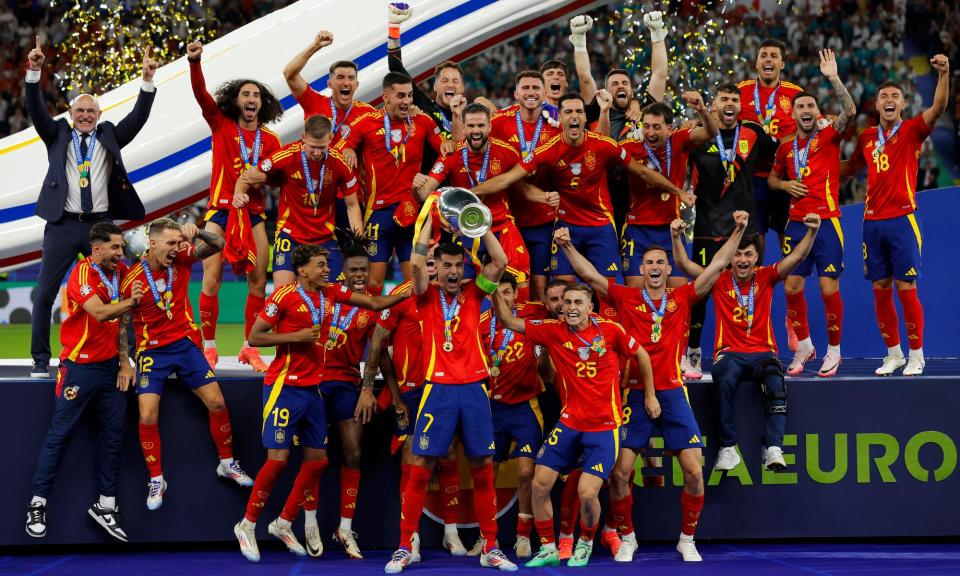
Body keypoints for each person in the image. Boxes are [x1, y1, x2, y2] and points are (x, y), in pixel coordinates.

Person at [556, 211, 750, 563]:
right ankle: (627, 537)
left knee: (693, 471)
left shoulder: (683, 297)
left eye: (661, 261)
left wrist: (739, 230)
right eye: (649, 262)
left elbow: (718, 265)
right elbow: (589, 276)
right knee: (620, 473)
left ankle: (687, 539)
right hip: (633, 392)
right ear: (642, 270)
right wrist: (567, 245)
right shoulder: (626, 297)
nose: (656, 267)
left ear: (667, 269)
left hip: (673, 392)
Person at [234, 243, 408, 562]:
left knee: (318, 461)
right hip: (284, 386)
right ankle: (246, 525)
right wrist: (295, 337)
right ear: (302, 270)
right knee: (278, 460)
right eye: (320, 265)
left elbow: (373, 301)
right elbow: (256, 337)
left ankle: (284, 522)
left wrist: (410, 291)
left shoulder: (329, 294)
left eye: (327, 264)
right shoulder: (282, 296)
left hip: (313, 390)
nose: (327, 270)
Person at [384, 217, 517, 573]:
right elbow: (414, 263)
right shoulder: (424, 296)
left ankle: (491, 546)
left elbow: (501, 261)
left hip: (474, 389)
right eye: (447, 265)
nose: (454, 271)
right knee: (421, 466)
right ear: (437, 269)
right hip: (437, 390)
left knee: (483, 467)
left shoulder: (476, 291)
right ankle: (403, 546)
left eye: (459, 265)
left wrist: (480, 223)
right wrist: (427, 220)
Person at [492, 283, 651, 568]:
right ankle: (549, 548)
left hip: (604, 426)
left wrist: (649, 395)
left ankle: (585, 543)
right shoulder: (553, 331)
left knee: (587, 493)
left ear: (590, 308)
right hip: (569, 423)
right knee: (540, 484)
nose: (572, 307)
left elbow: (642, 355)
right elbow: (506, 321)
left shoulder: (611, 331)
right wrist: (491, 286)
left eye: (578, 302)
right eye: (567, 302)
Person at [25, 36, 157, 378]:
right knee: (44, 292)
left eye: (91, 111)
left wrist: (146, 81)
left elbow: (138, 118)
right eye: (80, 111)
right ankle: (41, 359)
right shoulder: (56, 134)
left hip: (101, 228)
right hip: (62, 224)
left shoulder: (109, 135)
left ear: (98, 116)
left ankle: (125, 355)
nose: (85, 115)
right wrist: (35, 72)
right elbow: (36, 110)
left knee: (122, 288)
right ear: (70, 114)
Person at [470, 93, 685, 286]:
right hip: (566, 226)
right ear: (560, 117)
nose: (574, 116)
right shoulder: (548, 149)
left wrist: (678, 191)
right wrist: (470, 194)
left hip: (600, 225)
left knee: (607, 290)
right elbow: (508, 178)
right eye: (568, 112)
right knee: (562, 289)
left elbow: (643, 172)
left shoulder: (603, 145)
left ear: (584, 118)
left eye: (579, 112)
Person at [119, 218, 252, 510]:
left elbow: (219, 245)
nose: (176, 248)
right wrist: (124, 362)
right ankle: (156, 479)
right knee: (147, 415)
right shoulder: (131, 280)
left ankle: (227, 463)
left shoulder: (180, 259)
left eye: (178, 243)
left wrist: (198, 231)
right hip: (152, 352)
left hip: (184, 345)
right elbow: (122, 323)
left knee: (217, 402)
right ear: (152, 243)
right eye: (170, 243)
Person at [672, 214, 821, 472]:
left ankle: (774, 448)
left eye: (748, 255)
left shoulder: (766, 276)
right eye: (738, 254)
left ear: (756, 258)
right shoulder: (718, 278)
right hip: (729, 354)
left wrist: (812, 232)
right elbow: (684, 264)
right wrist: (676, 237)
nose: (742, 260)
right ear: (730, 257)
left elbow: (796, 257)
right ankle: (728, 449)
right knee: (724, 380)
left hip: (764, 353)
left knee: (776, 382)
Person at [26, 223, 143, 542]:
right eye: (115, 248)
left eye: (122, 247)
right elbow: (102, 313)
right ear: (97, 249)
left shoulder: (119, 272)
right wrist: (131, 302)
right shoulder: (81, 274)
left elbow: (121, 322)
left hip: (110, 370)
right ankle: (37, 505)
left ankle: (106, 506)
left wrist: (123, 360)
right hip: (78, 369)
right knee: (58, 436)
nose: (121, 253)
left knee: (113, 437)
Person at [843, 54, 951, 377]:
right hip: (871, 223)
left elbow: (939, 108)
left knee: (907, 290)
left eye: (895, 97)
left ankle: (917, 354)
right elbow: (850, 169)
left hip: (903, 220)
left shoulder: (913, 131)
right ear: (876, 105)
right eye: (884, 97)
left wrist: (943, 74)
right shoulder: (865, 138)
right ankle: (894, 354)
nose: (889, 101)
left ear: (902, 104)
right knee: (880, 290)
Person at [187, 40, 284, 372]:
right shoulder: (221, 125)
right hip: (220, 212)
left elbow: (276, 178)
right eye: (246, 94)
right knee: (211, 277)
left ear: (262, 103)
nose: (251, 99)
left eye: (256, 95)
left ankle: (249, 347)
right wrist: (194, 62)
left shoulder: (271, 141)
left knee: (258, 280)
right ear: (235, 101)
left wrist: (259, 179)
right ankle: (209, 346)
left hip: (254, 214)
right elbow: (201, 96)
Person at [364, 261, 469, 559]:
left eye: (443, 263)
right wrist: (380, 392)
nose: (437, 269)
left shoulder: (454, 298)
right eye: (431, 262)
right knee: (412, 456)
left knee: (449, 454)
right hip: (411, 392)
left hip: (445, 388)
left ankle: (451, 533)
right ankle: (411, 538)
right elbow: (378, 343)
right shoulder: (400, 294)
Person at [768, 49, 856, 378]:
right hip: (795, 223)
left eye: (810, 106)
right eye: (800, 106)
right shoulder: (784, 147)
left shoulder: (829, 136)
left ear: (818, 112)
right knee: (791, 287)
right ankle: (804, 344)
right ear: (793, 113)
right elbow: (774, 178)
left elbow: (849, 110)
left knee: (828, 289)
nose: (806, 110)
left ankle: (834, 350)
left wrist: (832, 77)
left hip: (828, 222)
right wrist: (785, 186)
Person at [685, 82, 778, 379]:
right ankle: (693, 354)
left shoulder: (754, 131)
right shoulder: (695, 134)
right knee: (700, 293)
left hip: (744, 228)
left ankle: (755, 349)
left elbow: (784, 149)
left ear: (740, 106)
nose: (730, 104)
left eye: (734, 100)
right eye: (724, 99)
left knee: (752, 291)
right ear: (714, 104)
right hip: (707, 227)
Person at [420, 102, 553, 284]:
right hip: (466, 232)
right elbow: (424, 194)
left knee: (518, 285)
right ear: (463, 127)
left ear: (490, 126)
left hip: (501, 227)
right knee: (465, 290)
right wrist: (416, 186)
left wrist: (546, 198)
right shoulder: (451, 154)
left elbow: (523, 190)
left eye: (481, 125)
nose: (476, 130)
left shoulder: (507, 152)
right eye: (472, 126)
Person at [338, 71, 445, 295]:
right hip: (378, 213)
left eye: (409, 96)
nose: (407, 101)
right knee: (373, 284)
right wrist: (348, 151)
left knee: (414, 282)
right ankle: (369, 327)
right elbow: (344, 147)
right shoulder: (366, 123)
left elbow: (447, 151)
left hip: (411, 211)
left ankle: (411, 328)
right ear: (385, 97)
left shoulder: (422, 121)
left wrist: (431, 179)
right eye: (400, 96)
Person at [312, 230, 380, 559]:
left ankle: (344, 526)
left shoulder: (372, 305)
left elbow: (381, 352)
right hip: (312, 381)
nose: (358, 276)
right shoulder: (328, 293)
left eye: (363, 270)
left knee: (353, 454)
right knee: (314, 455)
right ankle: (310, 523)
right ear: (344, 271)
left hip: (346, 382)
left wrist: (369, 389)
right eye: (353, 270)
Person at [237, 115, 363, 287]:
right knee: (282, 294)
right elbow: (249, 177)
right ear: (304, 137)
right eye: (312, 147)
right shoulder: (285, 156)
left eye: (322, 148)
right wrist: (239, 194)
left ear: (331, 139)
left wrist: (358, 241)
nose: (317, 153)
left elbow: (352, 205)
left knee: (334, 299)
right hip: (290, 234)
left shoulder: (340, 162)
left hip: (324, 237)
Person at [283, 30, 375, 232]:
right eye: (340, 77)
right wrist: (315, 46)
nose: (346, 82)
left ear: (356, 85)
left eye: (351, 78)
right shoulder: (314, 102)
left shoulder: (367, 113)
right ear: (330, 84)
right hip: (312, 194)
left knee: (350, 258)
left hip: (349, 197)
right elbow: (289, 73)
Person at [620, 95, 718, 288]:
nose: (650, 132)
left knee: (678, 294)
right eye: (646, 126)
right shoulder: (630, 147)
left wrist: (701, 110)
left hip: (670, 228)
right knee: (635, 293)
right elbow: (643, 172)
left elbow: (711, 132)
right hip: (637, 227)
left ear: (669, 128)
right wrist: (678, 192)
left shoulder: (679, 141)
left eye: (656, 127)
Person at [480, 273, 545, 559]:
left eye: (507, 292)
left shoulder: (531, 318)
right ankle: (487, 539)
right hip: (491, 409)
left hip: (524, 407)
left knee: (525, 472)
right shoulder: (480, 324)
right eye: (497, 293)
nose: (503, 297)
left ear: (514, 294)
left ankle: (522, 535)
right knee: (486, 474)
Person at [489, 71, 560, 301]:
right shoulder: (499, 123)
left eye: (536, 88)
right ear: (516, 94)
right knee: (506, 282)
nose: (531, 93)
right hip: (508, 219)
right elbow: (476, 125)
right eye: (526, 88)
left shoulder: (557, 123)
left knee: (539, 287)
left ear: (545, 93)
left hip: (542, 218)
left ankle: (534, 333)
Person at [736, 38, 805, 258]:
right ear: (756, 63)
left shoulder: (796, 95)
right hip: (750, 178)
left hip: (784, 178)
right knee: (754, 239)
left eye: (774, 56)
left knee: (787, 236)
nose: (768, 60)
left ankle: (792, 287)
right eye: (763, 55)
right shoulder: (741, 91)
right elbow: (718, 120)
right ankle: (757, 286)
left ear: (782, 64)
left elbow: (812, 128)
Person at [568, 11, 668, 138]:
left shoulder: (645, 112)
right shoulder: (597, 113)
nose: (620, 86)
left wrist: (657, 33)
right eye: (614, 84)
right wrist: (579, 41)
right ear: (607, 92)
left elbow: (659, 75)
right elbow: (585, 77)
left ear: (631, 91)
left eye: (625, 83)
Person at [387, 3, 463, 152]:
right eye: (444, 80)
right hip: (427, 175)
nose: (450, 85)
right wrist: (394, 28)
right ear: (435, 86)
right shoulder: (424, 106)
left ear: (462, 87)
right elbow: (396, 68)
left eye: (455, 81)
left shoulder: (472, 116)